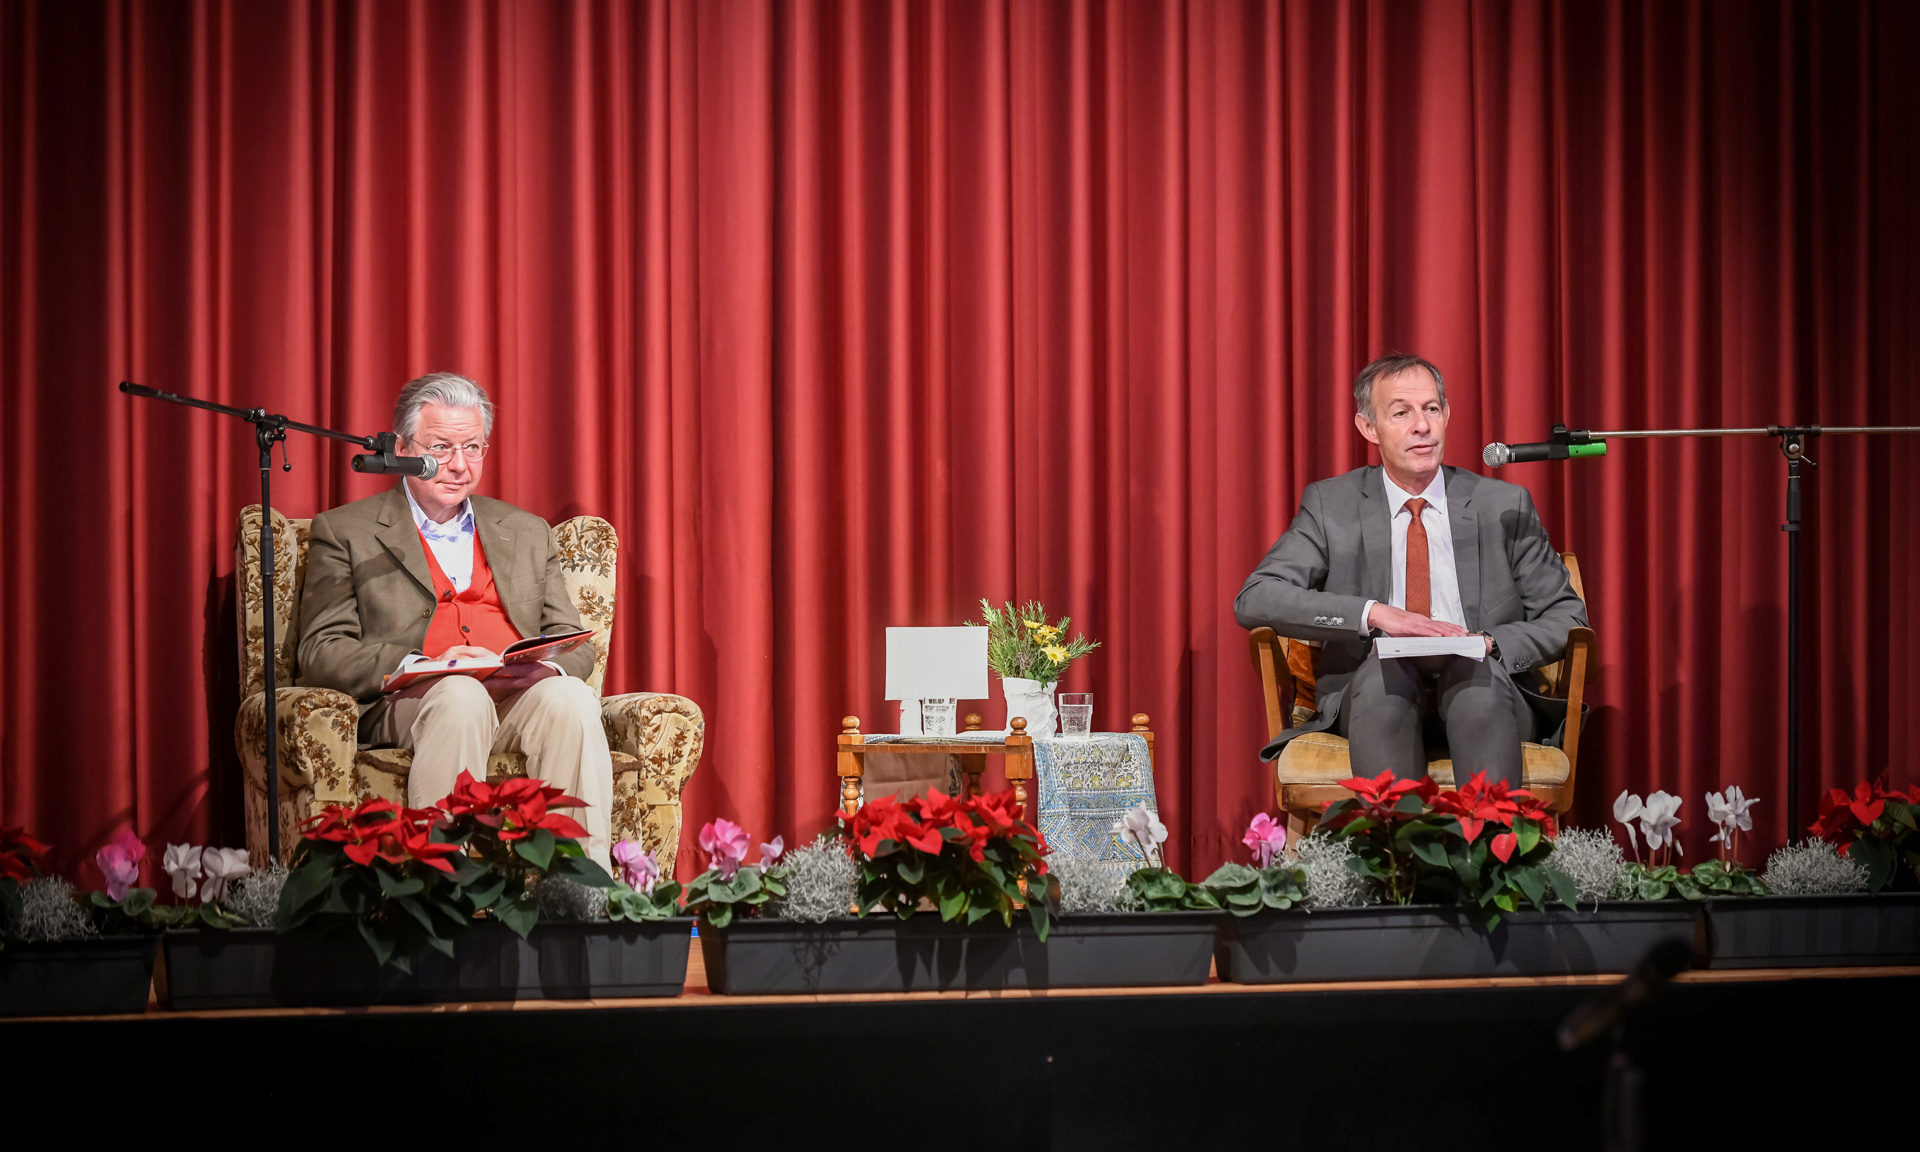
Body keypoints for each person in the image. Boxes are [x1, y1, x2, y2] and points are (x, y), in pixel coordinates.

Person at [297, 372, 613, 867]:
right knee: (460, 694)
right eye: (441, 447)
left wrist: (544, 667)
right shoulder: (345, 531)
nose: (459, 465)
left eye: (473, 447)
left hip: (512, 694)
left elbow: (575, 642)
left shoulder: (527, 532)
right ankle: (442, 892)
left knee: (570, 696)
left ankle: (580, 894)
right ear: (402, 447)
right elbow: (320, 650)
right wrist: (427, 662)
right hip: (416, 699)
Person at [1233, 353, 1587, 787]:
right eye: (1401, 413)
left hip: (1489, 694)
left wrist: (1489, 643)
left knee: (1474, 677)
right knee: (1385, 679)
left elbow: (1568, 617)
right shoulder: (1333, 505)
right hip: (1375, 696)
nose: (1422, 426)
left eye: (1432, 409)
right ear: (1368, 427)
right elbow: (1257, 597)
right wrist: (1374, 614)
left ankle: (1493, 851)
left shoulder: (1502, 506)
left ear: (1446, 415)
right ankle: (1397, 852)